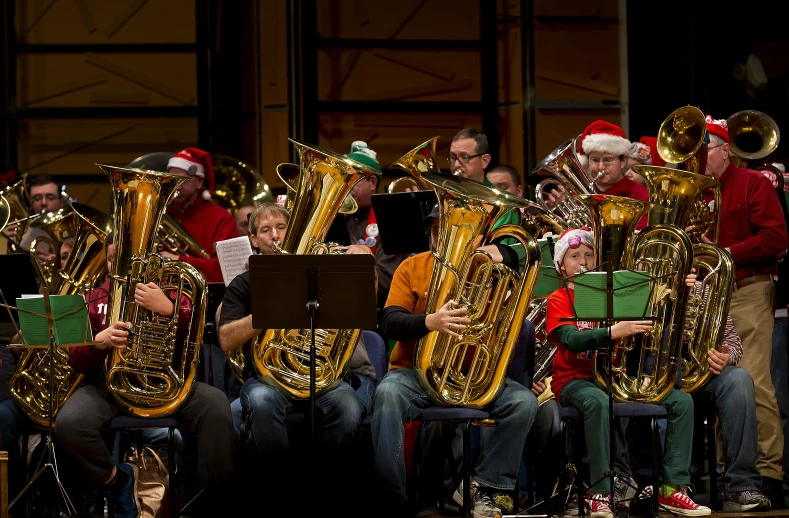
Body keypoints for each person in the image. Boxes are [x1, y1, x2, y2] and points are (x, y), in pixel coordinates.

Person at [372, 204, 538, 518]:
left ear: (481, 240)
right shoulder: (412, 267)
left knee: (524, 403)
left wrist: (509, 254)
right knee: (387, 394)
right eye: (438, 231)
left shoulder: (492, 270)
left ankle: (487, 485)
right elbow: (390, 322)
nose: (445, 237)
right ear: (431, 235)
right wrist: (429, 322)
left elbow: (527, 254)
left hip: (472, 377)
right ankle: (391, 496)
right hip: (417, 373)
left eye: (463, 233)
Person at [218, 202, 376, 509]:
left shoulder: (320, 271)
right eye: (265, 230)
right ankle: (282, 496)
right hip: (269, 378)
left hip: (324, 376)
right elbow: (225, 339)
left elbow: (362, 306)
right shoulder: (244, 283)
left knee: (348, 407)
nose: (274, 235)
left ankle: (328, 493)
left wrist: (358, 262)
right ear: (253, 239)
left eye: (281, 228)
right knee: (261, 404)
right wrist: (268, 312)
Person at [545, 227, 709, 518]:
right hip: (573, 381)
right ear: (561, 265)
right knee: (597, 401)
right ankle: (600, 491)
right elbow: (569, 339)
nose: (582, 261)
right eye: (574, 256)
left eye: (588, 254)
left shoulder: (617, 295)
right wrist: (612, 332)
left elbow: (656, 316)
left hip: (614, 380)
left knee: (681, 402)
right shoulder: (559, 298)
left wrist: (678, 288)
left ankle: (672, 490)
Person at [55, 257, 236, 517]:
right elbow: (75, 361)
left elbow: (198, 334)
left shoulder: (170, 291)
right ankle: (118, 481)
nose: (123, 259)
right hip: (110, 389)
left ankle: (221, 499)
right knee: (70, 422)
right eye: (114, 255)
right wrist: (98, 342)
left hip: (167, 386)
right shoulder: (90, 297)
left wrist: (172, 310)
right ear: (107, 262)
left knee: (216, 405)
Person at [702, 116, 788, 508]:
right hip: (708, 295)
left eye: (704, 149)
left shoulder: (753, 183)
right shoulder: (697, 191)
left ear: (724, 150)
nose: (697, 157)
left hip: (748, 288)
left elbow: (776, 237)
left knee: (751, 381)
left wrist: (724, 253)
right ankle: (733, 472)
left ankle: (767, 472)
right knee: (720, 378)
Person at [325, 141, 409, 323]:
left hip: (378, 316)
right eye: (343, 179)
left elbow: (386, 278)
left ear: (372, 182)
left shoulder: (390, 218)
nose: (344, 186)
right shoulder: (333, 219)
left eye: (352, 179)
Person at [545, 121, 649, 230]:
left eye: (608, 160)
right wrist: (557, 212)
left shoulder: (641, 196)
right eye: (595, 160)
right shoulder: (576, 196)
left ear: (622, 161)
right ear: (587, 161)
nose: (600, 167)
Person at [161, 148, 238, 283]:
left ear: (200, 181)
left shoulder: (222, 218)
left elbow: (226, 269)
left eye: (183, 180)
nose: (176, 186)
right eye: (171, 179)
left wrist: (178, 261)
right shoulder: (162, 212)